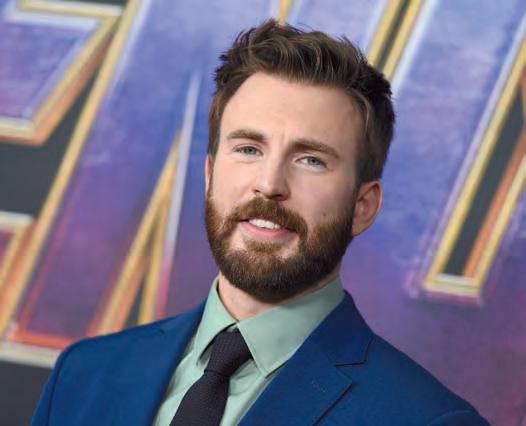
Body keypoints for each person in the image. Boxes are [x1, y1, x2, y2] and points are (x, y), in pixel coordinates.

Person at [32, 20, 489, 426]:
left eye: (311, 159)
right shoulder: (84, 374)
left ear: (363, 206)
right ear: (210, 174)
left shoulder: (427, 419)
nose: (269, 185)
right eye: (249, 149)